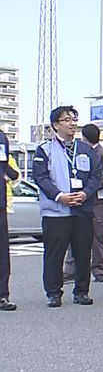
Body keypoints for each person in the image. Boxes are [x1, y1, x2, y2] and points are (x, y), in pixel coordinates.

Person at [31, 106, 103, 307]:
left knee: (82, 253)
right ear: (56, 125)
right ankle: (53, 293)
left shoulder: (86, 149)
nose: (72, 123)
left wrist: (85, 193)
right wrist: (59, 196)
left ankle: (82, 292)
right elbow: (40, 177)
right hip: (56, 212)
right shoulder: (45, 149)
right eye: (67, 120)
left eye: (74, 119)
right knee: (54, 254)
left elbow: (96, 175)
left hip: (82, 210)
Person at [64, 124, 103, 284]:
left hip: (97, 201)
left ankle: (99, 270)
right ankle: (70, 269)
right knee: (74, 234)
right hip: (79, 200)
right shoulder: (77, 151)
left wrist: (90, 186)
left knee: (98, 236)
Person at [0, 127, 20, 311]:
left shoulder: (1, 137)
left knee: (1, 251)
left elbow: (3, 163)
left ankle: (2, 295)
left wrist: (12, 174)